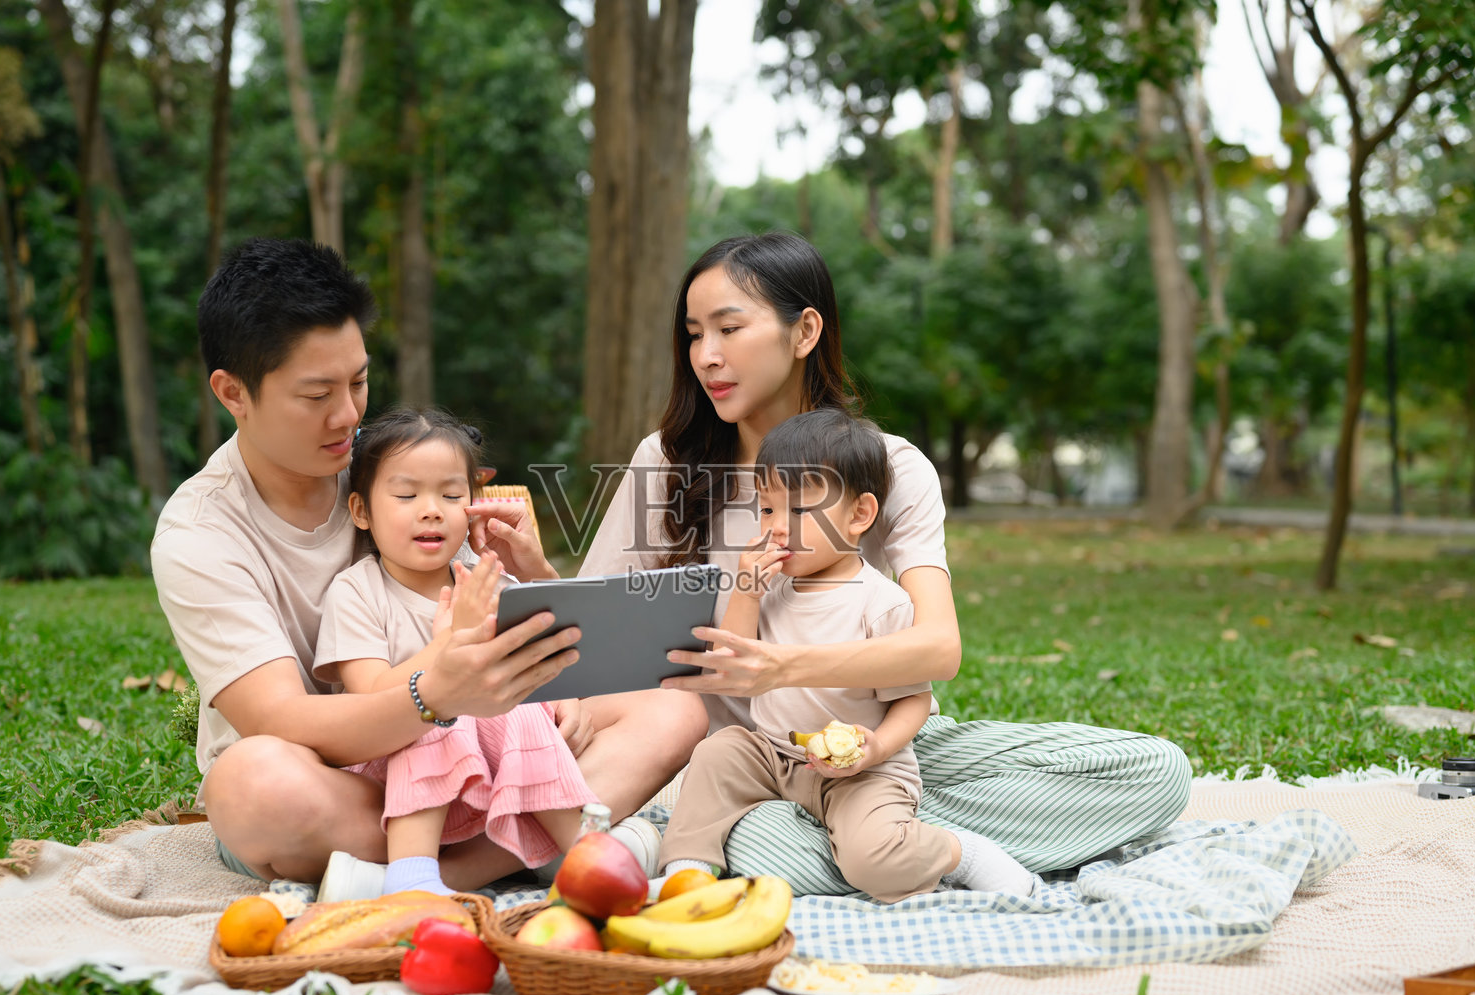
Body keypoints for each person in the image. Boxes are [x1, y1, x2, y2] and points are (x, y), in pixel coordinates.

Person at [578, 231, 1192, 894]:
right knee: (749, 809)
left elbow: (938, 647)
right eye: (694, 334)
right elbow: (592, 638)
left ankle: (870, 840)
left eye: (729, 328)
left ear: (805, 330)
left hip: (875, 746)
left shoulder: (892, 467)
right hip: (741, 762)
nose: (707, 356)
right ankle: (849, 844)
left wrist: (792, 675)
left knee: (1157, 772)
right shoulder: (666, 463)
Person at [152, 238, 704, 889]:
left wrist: (536, 581)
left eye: (358, 381)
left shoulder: (400, 467)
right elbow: (284, 721)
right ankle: (532, 852)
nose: (348, 414)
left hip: (478, 743)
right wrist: (432, 693)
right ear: (233, 393)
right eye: (316, 393)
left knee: (674, 709)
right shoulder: (201, 532)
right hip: (343, 779)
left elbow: (500, 630)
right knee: (252, 787)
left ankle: (438, 869)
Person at [658, 409, 1034, 901]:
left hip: (864, 771)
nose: (776, 527)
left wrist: (876, 749)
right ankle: (686, 873)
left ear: (859, 515)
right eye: (767, 509)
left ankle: (960, 852)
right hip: (774, 754)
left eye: (798, 511)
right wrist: (746, 592)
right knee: (718, 752)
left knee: (874, 864)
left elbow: (913, 701)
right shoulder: (770, 588)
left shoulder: (881, 604)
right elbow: (730, 663)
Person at [312, 408, 599, 898]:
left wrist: (559, 692)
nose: (432, 509)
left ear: (474, 505)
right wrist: (446, 647)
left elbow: (552, 650)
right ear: (361, 511)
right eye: (407, 495)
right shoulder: (357, 591)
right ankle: (413, 876)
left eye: (451, 495)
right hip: (395, 773)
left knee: (523, 704)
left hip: (489, 771)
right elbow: (372, 697)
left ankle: (583, 857)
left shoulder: (484, 578)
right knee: (437, 709)